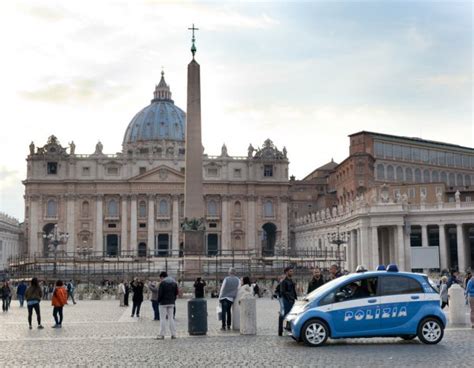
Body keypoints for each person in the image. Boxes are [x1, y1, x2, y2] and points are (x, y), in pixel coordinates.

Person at [156, 271, 178, 340]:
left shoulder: (162, 283)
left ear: (162, 277)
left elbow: (160, 294)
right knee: (171, 318)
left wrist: (158, 301)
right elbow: (176, 292)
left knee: (163, 319)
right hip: (171, 302)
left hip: (163, 303)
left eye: (160, 278)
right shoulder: (174, 283)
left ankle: (162, 334)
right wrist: (173, 300)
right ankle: (173, 334)